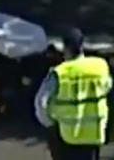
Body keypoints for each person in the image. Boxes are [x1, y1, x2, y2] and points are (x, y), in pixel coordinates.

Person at [34, 27, 112, 160]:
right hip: (93, 136)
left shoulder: (60, 73)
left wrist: (50, 124)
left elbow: (41, 102)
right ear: (82, 45)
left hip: (67, 138)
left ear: (65, 48)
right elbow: (108, 87)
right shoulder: (100, 67)